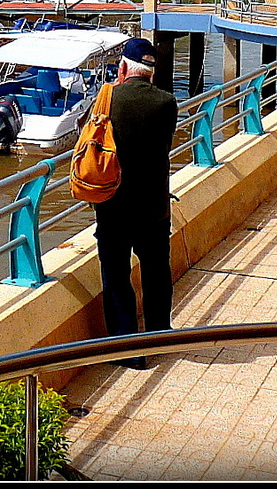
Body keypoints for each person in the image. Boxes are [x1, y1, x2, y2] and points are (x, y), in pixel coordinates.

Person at [91, 36, 179, 369]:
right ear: (152, 72)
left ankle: (126, 347)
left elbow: (94, 138)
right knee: (157, 271)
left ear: (124, 66)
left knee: (116, 275)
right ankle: (159, 335)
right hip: (154, 205)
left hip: (112, 204)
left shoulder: (107, 98)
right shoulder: (167, 103)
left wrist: (113, 88)